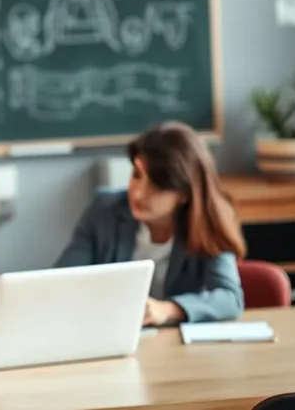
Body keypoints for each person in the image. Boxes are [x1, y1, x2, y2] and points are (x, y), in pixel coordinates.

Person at [54, 120, 246, 326]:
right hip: (110, 332)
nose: (138, 193)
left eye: (156, 186)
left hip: (177, 346)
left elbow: (230, 299)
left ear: (183, 194)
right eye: (136, 175)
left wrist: (169, 309)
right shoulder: (104, 209)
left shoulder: (208, 222)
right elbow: (62, 282)